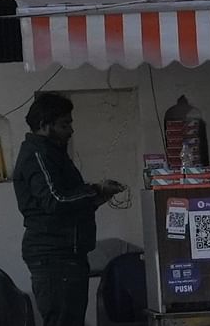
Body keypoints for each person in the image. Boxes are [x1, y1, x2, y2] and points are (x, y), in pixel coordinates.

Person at [12, 92, 125, 326]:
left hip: (66, 254)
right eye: (65, 124)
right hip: (53, 256)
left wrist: (99, 197)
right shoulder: (38, 155)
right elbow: (55, 201)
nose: (71, 130)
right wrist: (95, 188)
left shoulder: (52, 154)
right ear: (44, 125)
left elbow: (67, 203)